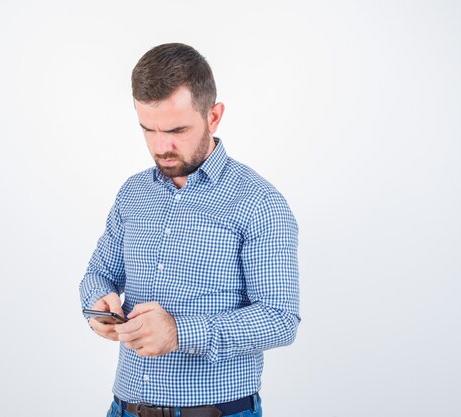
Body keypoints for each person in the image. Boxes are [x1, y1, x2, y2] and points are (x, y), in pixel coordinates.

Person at [79, 42, 300, 417]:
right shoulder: (133, 193)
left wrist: (181, 333)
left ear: (213, 116)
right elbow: (99, 273)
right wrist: (99, 305)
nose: (161, 146)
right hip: (125, 408)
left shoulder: (259, 202)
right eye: (148, 129)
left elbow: (281, 319)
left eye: (177, 130)